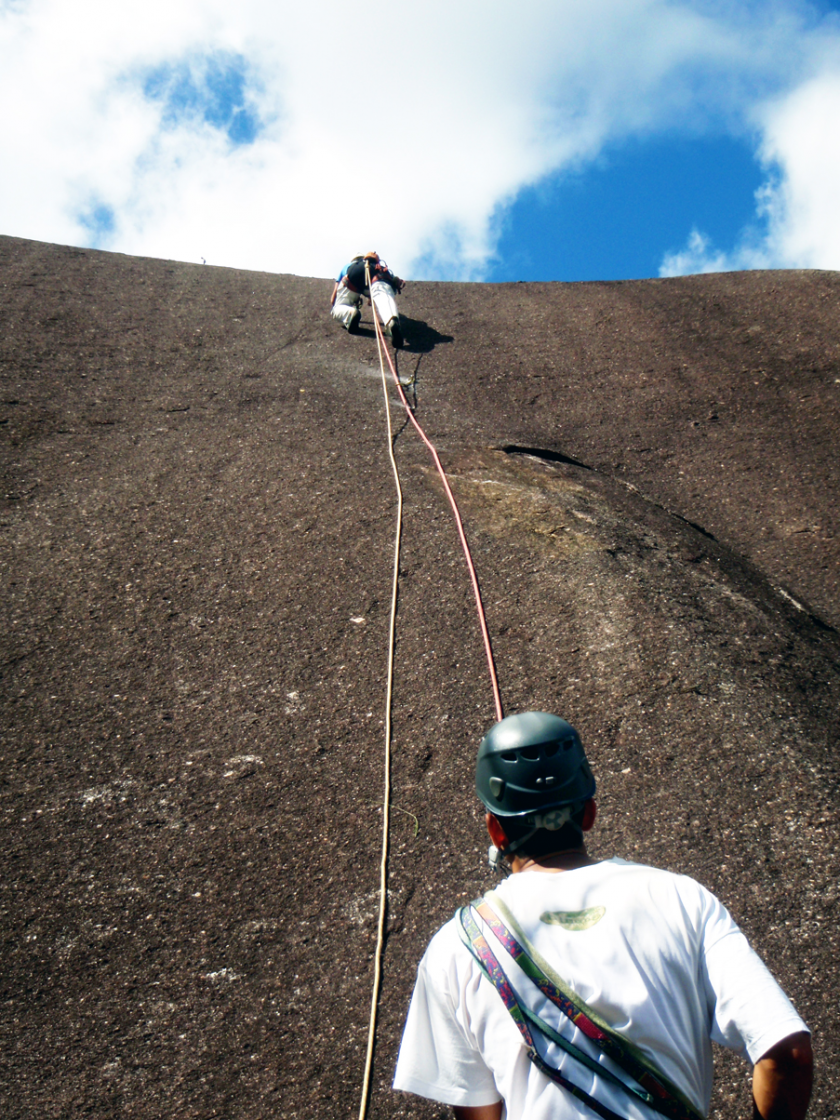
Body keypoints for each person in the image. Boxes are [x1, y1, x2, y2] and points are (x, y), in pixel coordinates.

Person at [393, 712, 813, 1120]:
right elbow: (785, 1053)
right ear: (589, 813)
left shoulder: (458, 945)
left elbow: (478, 1110)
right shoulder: (682, 899)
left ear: (496, 830)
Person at [329, 251, 405, 348]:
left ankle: (350, 313)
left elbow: (333, 299)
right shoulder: (376, 266)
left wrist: (349, 299)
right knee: (383, 296)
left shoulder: (349, 266)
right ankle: (391, 321)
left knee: (338, 307)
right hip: (379, 276)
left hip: (353, 276)